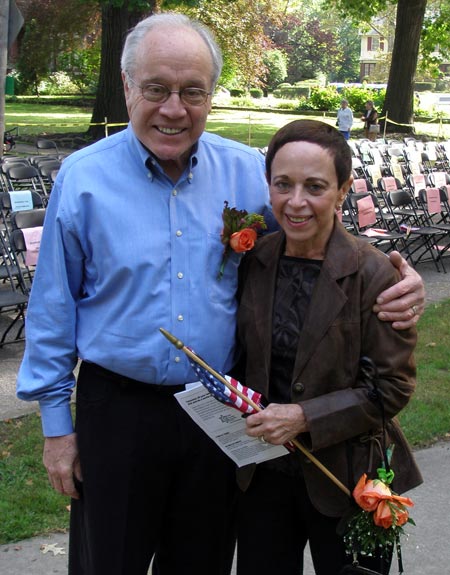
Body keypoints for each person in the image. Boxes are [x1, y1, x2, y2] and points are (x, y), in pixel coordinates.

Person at [16, 12, 424, 575]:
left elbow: (315, 231)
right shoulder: (83, 179)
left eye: (192, 91)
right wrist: (57, 431)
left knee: (203, 561)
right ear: (128, 85)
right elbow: (53, 310)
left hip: (220, 412)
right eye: (156, 89)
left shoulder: (246, 173)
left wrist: (395, 274)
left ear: (212, 94)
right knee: (109, 561)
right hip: (119, 411)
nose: (174, 109)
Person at [235, 119, 423, 575]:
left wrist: (302, 417)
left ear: (343, 191)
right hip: (263, 477)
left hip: (346, 478)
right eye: (283, 184)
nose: (295, 202)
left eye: (315, 186)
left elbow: (391, 389)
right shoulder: (253, 259)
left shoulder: (373, 274)